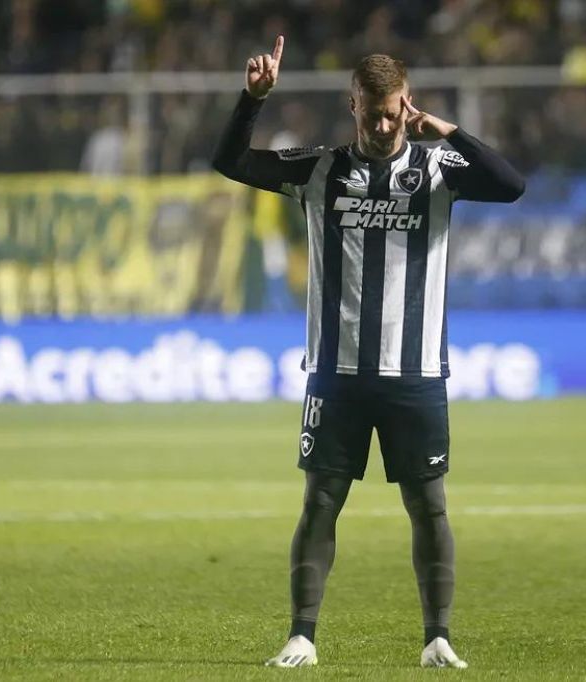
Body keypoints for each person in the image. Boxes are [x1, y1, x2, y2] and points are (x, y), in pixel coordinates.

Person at [212, 35, 525, 669]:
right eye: (370, 112)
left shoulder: (438, 168)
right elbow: (232, 162)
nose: (382, 125)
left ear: (406, 105)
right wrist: (252, 100)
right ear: (351, 105)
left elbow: (512, 184)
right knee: (320, 502)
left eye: (393, 112)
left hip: (414, 373)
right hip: (336, 372)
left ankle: (437, 637)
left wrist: (447, 130)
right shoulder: (318, 168)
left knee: (428, 504)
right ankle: (302, 635)